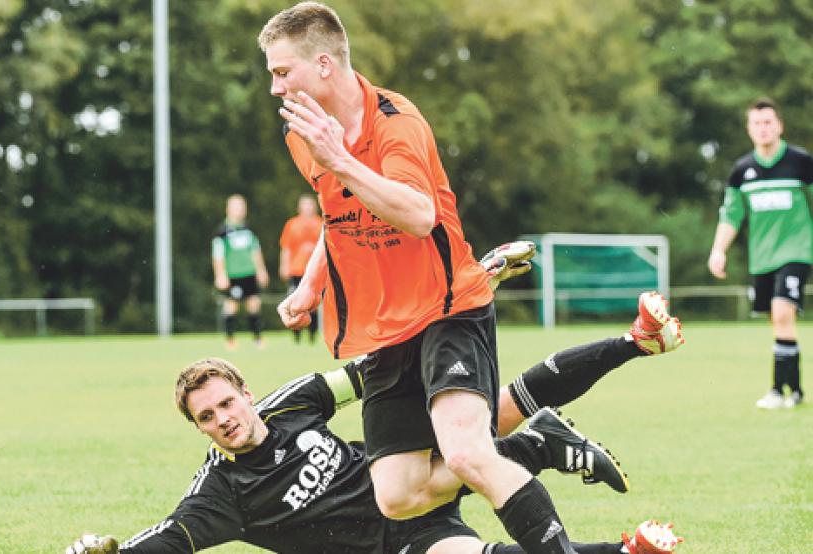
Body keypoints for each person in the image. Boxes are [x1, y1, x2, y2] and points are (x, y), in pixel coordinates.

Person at [259, 4, 666, 551]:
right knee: (398, 494)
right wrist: (312, 285)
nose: (274, 87)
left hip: (448, 307)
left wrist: (341, 161)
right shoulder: (305, 135)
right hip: (385, 330)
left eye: (282, 72)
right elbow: (340, 216)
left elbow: (419, 215)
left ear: (325, 65)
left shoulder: (395, 122)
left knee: (467, 451)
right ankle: (539, 442)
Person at [66, 311, 684, 553]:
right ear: (198, 428)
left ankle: (626, 348)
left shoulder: (290, 405)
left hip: (408, 471)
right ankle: (624, 544)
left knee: (502, 404)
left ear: (246, 394)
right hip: (401, 542)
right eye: (207, 416)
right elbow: (171, 539)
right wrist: (108, 552)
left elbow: (365, 373)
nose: (223, 419)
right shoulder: (220, 493)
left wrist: (446, 310)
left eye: (227, 402)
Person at [707, 98, 813, 410]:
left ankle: (778, 391)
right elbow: (731, 215)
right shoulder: (742, 171)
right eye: (757, 123)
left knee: (782, 313)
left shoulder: (801, 163)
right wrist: (718, 250)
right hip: (762, 258)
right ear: (749, 129)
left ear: (779, 126)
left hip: (796, 251)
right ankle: (795, 389)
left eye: (769, 122)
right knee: (779, 321)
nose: (763, 128)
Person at [212, 194, 270, 349]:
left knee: (254, 304)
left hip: (249, 273)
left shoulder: (248, 228)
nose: (240, 210)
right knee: (231, 305)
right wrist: (220, 275)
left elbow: (255, 251)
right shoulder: (222, 231)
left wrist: (261, 271)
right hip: (232, 275)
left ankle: (257, 338)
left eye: (242, 206)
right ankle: (230, 339)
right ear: (228, 209)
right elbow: (217, 255)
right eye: (236, 206)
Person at [279, 194, 324, 344]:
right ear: (299, 208)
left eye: (310, 205)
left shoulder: (321, 223)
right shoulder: (292, 224)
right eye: (305, 205)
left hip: (315, 271)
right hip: (296, 270)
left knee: (313, 303)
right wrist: (284, 266)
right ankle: (296, 334)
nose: (308, 208)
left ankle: (312, 335)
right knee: (295, 303)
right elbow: (286, 248)